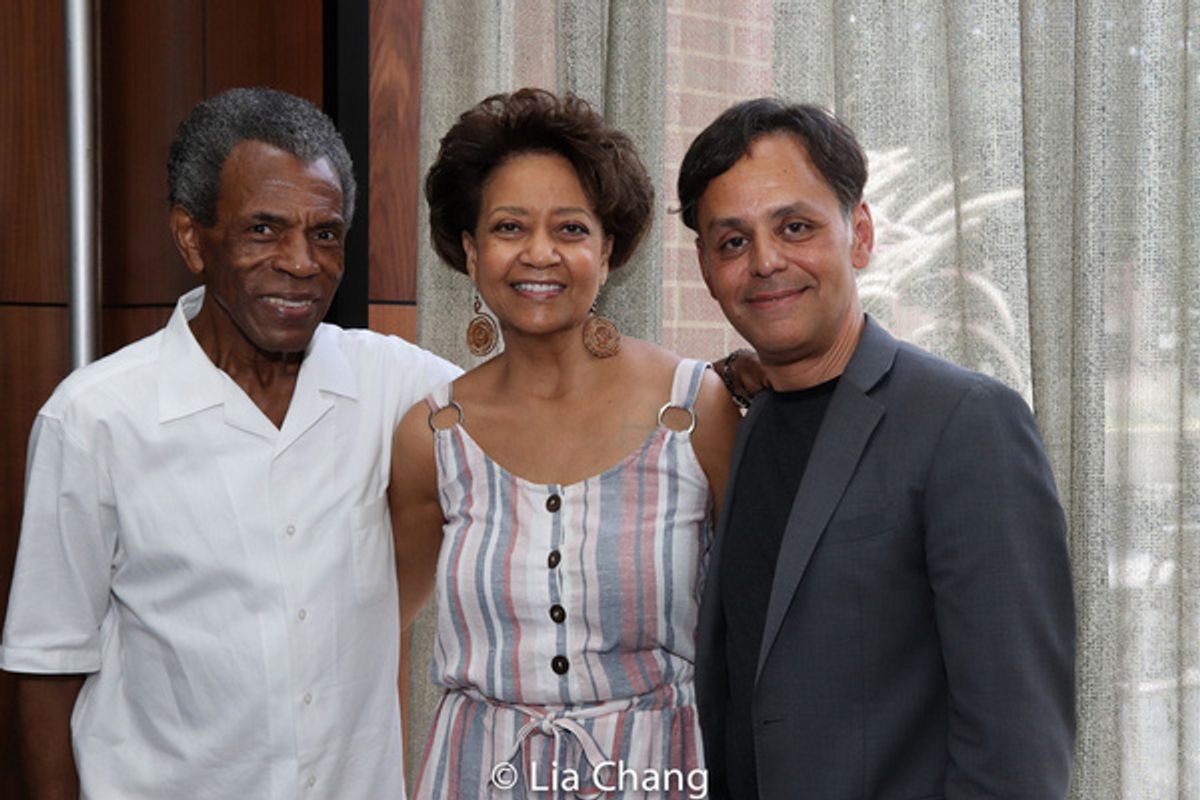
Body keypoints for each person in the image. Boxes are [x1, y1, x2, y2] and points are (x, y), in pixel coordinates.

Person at [0, 87, 460, 799]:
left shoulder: (394, 384)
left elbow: (531, 413)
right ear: (192, 238)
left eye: (326, 233)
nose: (302, 263)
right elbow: (45, 665)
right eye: (264, 230)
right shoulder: (95, 419)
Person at [677, 98, 1076, 799]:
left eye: (795, 227)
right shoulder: (744, 423)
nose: (765, 262)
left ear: (858, 235)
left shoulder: (966, 424)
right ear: (707, 269)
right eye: (732, 241)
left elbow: (1017, 755)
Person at [389, 88, 740, 799]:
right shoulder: (431, 436)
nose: (539, 254)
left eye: (571, 229)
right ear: (470, 249)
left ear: (609, 250)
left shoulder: (696, 408)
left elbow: (760, 629)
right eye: (509, 226)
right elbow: (383, 627)